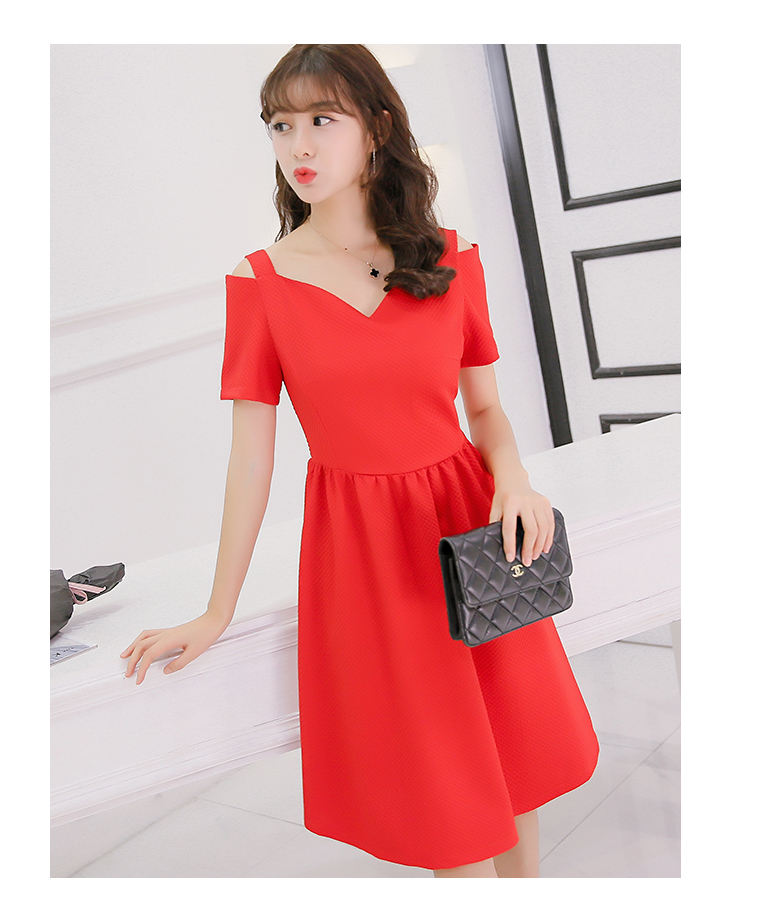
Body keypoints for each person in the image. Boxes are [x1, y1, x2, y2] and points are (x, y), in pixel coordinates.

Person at [121, 44, 599, 879]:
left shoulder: (447, 255)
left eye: (321, 119)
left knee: (509, 766)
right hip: (369, 557)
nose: (298, 145)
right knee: (445, 800)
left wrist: (516, 480)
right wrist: (216, 609)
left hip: (470, 532)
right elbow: (250, 462)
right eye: (281, 126)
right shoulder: (261, 282)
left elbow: (485, 409)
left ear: (376, 127)